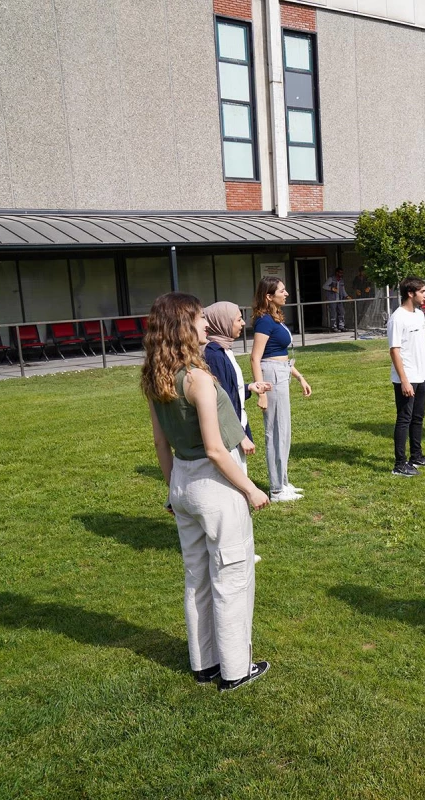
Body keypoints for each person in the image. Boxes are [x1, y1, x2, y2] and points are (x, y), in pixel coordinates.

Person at [141, 292, 270, 692]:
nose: (204, 325)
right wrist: (250, 489)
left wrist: (172, 490)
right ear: (183, 326)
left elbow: (161, 445)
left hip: (182, 481)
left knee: (197, 576)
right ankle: (234, 670)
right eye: (197, 319)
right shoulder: (196, 378)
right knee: (231, 577)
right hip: (214, 488)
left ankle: (204, 664)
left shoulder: (155, 377)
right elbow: (215, 449)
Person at [250, 277, 312, 502]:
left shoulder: (275, 318)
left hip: (281, 372)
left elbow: (283, 356)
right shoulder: (264, 321)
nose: (286, 294)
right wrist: (262, 393)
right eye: (282, 291)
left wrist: (300, 377)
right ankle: (276, 489)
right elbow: (255, 358)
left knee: (283, 430)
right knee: (275, 431)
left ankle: (283, 481)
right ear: (269, 296)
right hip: (271, 376)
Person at [202, 301, 271, 475]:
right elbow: (220, 401)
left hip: (232, 430)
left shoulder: (224, 349)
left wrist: (249, 388)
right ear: (223, 322)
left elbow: (228, 389)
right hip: (226, 436)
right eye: (238, 319)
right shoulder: (214, 355)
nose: (243, 323)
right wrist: (240, 436)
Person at [388, 276, 425, 477]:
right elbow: (395, 351)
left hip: (421, 375)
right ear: (410, 293)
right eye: (422, 291)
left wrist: (424, 374)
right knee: (404, 419)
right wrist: (404, 380)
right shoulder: (397, 318)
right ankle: (400, 464)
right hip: (406, 378)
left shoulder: (419, 315)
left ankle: (416, 455)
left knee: (418, 417)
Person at [323, 268, 350, 332]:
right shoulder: (331, 279)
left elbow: (343, 290)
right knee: (333, 313)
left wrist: (346, 296)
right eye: (340, 272)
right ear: (337, 273)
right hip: (332, 299)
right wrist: (331, 288)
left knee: (342, 312)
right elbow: (324, 286)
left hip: (340, 299)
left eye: (342, 273)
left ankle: (341, 326)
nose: (341, 274)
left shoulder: (341, 280)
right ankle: (333, 327)